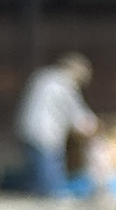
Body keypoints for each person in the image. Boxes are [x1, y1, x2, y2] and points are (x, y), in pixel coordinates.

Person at [14, 51, 101, 196]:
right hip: (46, 132)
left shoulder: (43, 76)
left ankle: (36, 191)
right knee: (49, 169)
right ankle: (51, 193)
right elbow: (77, 113)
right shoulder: (63, 84)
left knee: (36, 166)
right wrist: (92, 124)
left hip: (27, 128)